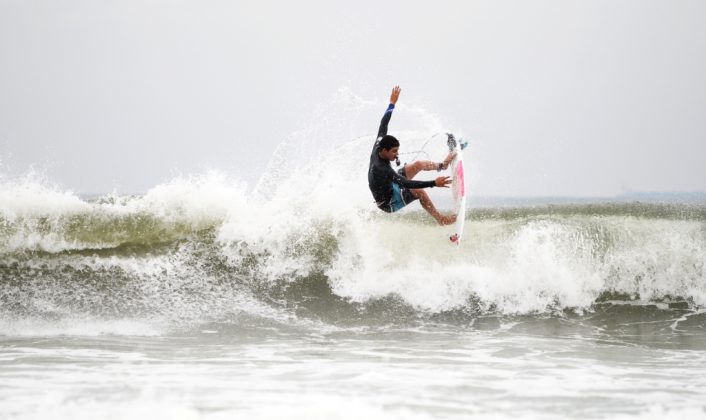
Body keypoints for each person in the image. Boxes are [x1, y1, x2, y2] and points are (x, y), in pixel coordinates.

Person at [367, 86, 457, 225]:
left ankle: (442, 165)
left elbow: (383, 123)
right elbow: (405, 183)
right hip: (388, 201)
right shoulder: (381, 168)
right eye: (394, 151)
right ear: (384, 150)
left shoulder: (379, 144)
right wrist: (434, 183)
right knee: (419, 192)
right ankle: (442, 220)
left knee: (418, 164)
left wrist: (392, 103)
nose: (397, 154)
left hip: (391, 184)